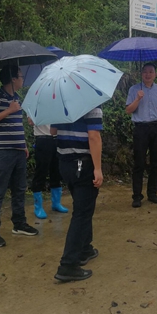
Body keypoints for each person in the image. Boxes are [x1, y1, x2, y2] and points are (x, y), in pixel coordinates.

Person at [0, 65, 38, 248]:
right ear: (13, 79)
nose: (23, 79)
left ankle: (19, 224)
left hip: (18, 151)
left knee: (20, 189)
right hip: (3, 152)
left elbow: (17, 124)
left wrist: (23, 145)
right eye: (20, 76)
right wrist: (8, 110)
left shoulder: (17, 98)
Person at [51, 106, 103, 282]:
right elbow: (94, 136)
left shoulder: (61, 104)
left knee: (82, 207)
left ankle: (85, 249)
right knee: (82, 213)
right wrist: (98, 168)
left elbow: (52, 131)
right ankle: (68, 265)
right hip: (83, 165)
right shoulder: (92, 105)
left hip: (65, 164)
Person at [125, 63, 157, 208]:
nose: (148, 74)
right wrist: (137, 99)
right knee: (139, 163)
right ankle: (137, 195)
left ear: (155, 74)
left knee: (156, 162)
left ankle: (152, 193)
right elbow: (128, 110)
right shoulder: (134, 90)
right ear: (141, 74)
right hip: (141, 128)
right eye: (145, 72)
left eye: (151, 72)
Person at [28, 119, 69, 219]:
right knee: (41, 172)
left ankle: (56, 203)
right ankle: (38, 207)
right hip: (42, 139)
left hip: (57, 138)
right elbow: (31, 122)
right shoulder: (35, 107)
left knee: (56, 171)